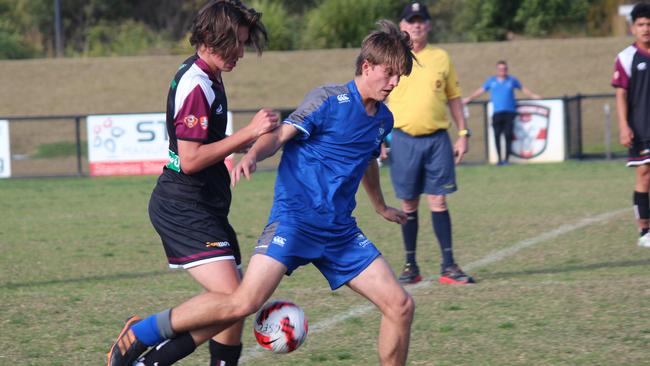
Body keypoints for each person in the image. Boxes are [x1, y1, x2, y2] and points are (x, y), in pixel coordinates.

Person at [107, 19, 416, 366]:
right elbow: (280, 135)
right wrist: (252, 154)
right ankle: (143, 333)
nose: (393, 83)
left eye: (399, 77)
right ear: (366, 66)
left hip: (341, 233)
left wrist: (380, 205)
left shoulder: (383, 120)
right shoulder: (329, 100)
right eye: (389, 74)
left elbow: (367, 160)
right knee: (241, 302)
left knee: (401, 305)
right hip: (294, 224)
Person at [106, 1, 279, 366]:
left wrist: (243, 143)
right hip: (183, 205)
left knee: (236, 304)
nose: (242, 54)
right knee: (235, 297)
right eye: (238, 44)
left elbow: (207, 147)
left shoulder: (209, 76)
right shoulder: (197, 83)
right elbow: (190, 160)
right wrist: (247, 132)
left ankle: (153, 360)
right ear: (213, 39)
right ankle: (140, 334)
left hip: (206, 205)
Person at [386, 2, 474, 285]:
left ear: (429, 25)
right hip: (402, 139)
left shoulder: (441, 57)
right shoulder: (392, 56)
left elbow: (454, 98)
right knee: (408, 203)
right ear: (402, 26)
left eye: (421, 20)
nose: (416, 25)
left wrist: (463, 133)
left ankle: (449, 264)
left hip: (437, 140)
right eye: (411, 21)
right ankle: (411, 265)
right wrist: (376, 139)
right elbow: (376, 98)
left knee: (438, 199)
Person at [612, 2, 650, 248]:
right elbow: (621, 95)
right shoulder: (626, 58)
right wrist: (624, 126)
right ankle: (645, 231)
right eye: (641, 24)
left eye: (649, 24)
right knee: (645, 175)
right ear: (633, 27)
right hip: (642, 127)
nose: (646, 29)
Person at [463, 60, 541, 165]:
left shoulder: (512, 80)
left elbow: (522, 88)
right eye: (500, 69)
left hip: (510, 112)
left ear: (507, 69)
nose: (502, 71)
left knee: (508, 135)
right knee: (497, 135)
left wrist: (533, 96)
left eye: (504, 68)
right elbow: (481, 91)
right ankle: (499, 159)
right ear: (497, 70)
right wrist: (469, 98)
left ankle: (506, 160)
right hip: (497, 113)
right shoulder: (491, 81)